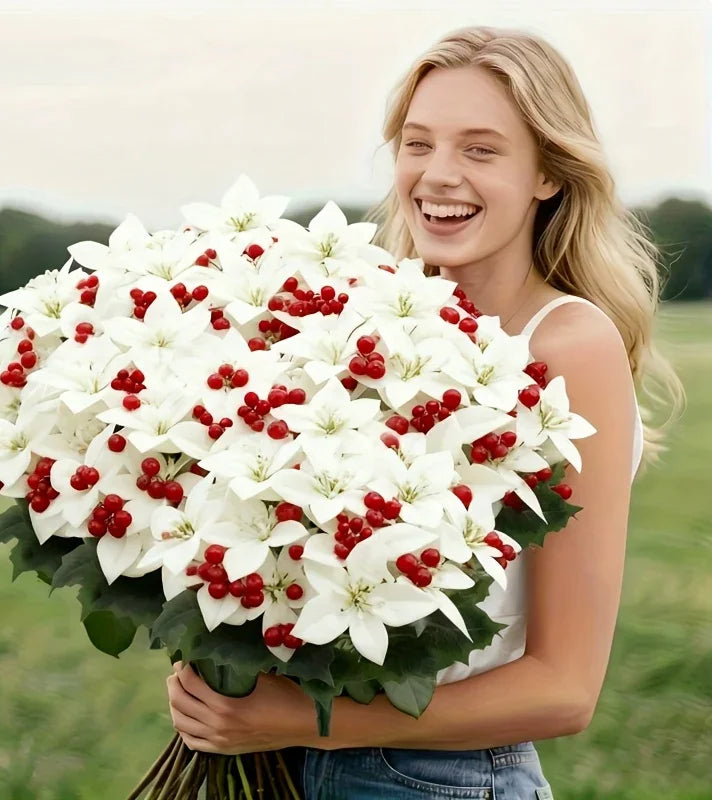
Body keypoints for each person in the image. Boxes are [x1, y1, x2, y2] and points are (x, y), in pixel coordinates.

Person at [165, 25, 685, 799]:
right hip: (300, 769)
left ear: (548, 172)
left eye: (480, 150)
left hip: (442, 779)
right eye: (417, 143)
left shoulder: (570, 345)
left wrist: (303, 719)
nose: (438, 175)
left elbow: (564, 689)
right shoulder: (368, 324)